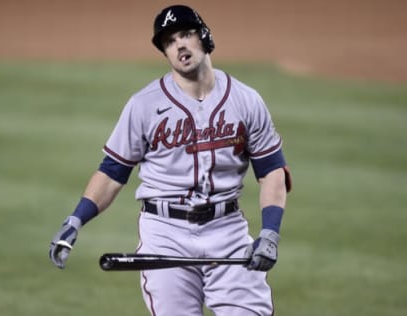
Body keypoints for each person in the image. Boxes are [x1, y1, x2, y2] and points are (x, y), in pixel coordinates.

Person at [49, 4, 292, 316]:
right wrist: (75, 220)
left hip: (228, 231)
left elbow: (271, 170)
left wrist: (270, 232)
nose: (179, 45)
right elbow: (113, 172)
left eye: (186, 34)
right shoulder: (143, 105)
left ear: (204, 36)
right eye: (169, 41)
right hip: (165, 235)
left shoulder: (246, 100)